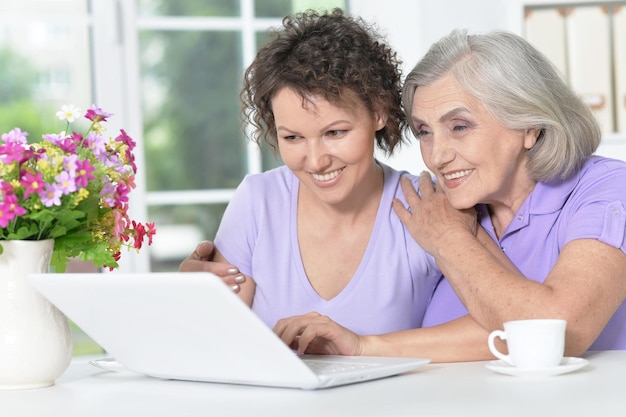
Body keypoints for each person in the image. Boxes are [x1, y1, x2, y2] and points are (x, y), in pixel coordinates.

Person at [270, 29, 626, 361]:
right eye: (424, 131)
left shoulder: (605, 188)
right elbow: (483, 337)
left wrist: (450, 239)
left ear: (529, 125)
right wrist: (362, 345)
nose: (437, 156)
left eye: (459, 126)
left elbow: (561, 333)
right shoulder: (452, 205)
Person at [180, 8, 443, 336]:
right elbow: (216, 338)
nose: (316, 161)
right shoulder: (258, 202)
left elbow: (492, 330)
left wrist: (363, 347)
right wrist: (191, 300)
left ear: (378, 112)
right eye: (293, 137)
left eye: (335, 133)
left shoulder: (427, 207)